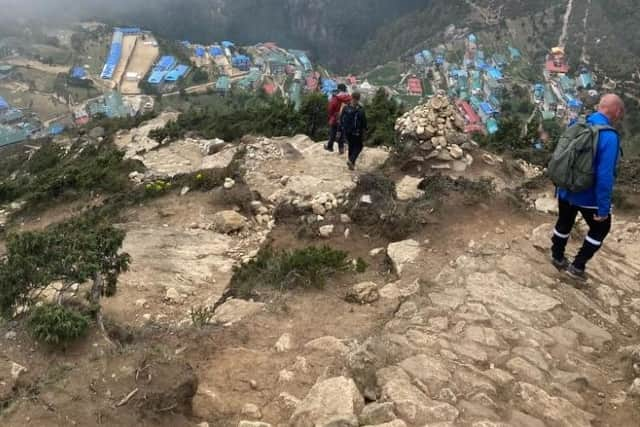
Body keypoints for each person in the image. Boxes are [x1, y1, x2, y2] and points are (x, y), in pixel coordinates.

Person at [551, 93, 625, 281]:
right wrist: (603, 207)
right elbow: (605, 175)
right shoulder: (609, 136)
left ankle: (557, 257)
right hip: (588, 195)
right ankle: (577, 267)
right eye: (620, 113)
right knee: (601, 228)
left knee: (564, 222)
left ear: (600, 106)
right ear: (616, 111)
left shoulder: (577, 123)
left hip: (566, 188)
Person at [340, 92, 368, 171]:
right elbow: (364, 123)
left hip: (347, 131)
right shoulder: (360, 110)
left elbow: (341, 119)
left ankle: (351, 164)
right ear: (358, 99)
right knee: (359, 146)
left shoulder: (346, 107)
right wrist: (364, 134)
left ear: (351, 97)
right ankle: (351, 161)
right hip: (356, 132)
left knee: (351, 146)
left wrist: (341, 129)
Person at [325, 83, 351, 154]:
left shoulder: (336, 98)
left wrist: (331, 116)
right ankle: (341, 149)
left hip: (335, 118)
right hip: (345, 120)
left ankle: (330, 147)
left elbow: (330, 108)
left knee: (333, 132)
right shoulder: (349, 98)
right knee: (341, 134)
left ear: (339, 89)